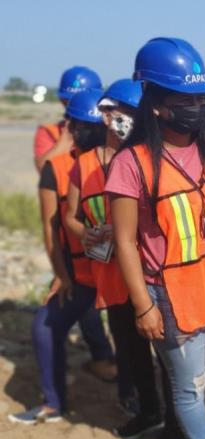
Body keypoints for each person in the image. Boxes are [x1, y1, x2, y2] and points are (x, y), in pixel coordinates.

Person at [106, 37, 205, 439]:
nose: (197, 106)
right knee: (189, 389)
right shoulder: (131, 163)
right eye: (186, 98)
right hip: (173, 297)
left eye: (201, 97)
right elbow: (124, 239)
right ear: (156, 103)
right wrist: (142, 305)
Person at [61, 78, 184, 439]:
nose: (122, 119)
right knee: (131, 351)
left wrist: (125, 231)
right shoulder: (84, 165)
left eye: (130, 113)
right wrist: (87, 232)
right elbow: (69, 214)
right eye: (117, 112)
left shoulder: (149, 159)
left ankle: (176, 426)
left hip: (148, 273)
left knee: (167, 355)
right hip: (109, 273)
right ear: (104, 115)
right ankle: (148, 412)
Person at [9, 89, 116, 425]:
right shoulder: (56, 168)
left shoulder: (122, 160)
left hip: (118, 270)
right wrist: (62, 273)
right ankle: (53, 403)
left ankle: (137, 399)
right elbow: (51, 226)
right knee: (44, 325)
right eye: (78, 124)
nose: (85, 131)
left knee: (129, 335)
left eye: (91, 125)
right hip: (80, 271)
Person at [31, 65, 118, 386]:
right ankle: (101, 357)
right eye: (69, 103)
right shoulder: (52, 134)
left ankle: (111, 363)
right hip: (75, 247)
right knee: (82, 307)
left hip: (109, 252)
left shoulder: (111, 147)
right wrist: (68, 136)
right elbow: (44, 170)